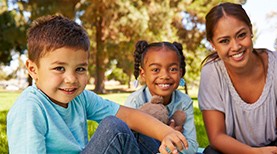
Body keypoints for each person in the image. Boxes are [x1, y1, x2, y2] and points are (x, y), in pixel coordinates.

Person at [6, 15, 189, 154]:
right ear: (32, 69)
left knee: (134, 126)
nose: (71, 79)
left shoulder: (80, 97)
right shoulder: (29, 108)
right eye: (59, 68)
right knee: (114, 127)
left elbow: (130, 116)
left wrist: (166, 133)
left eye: (80, 69)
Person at [198, 2, 277, 154]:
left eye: (241, 35)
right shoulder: (211, 72)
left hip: (273, 146)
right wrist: (255, 153)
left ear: (251, 31)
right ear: (213, 44)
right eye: (224, 41)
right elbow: (217, 136)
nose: (236, 46)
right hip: (233, 149)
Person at [124, 40, 198, 154]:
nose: (165, 76)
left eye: (173, 69)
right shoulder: (135, 102)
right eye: (155, 70)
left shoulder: (184, 102)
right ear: (143, 74)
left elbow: (192, 148)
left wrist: (170, 143)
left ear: (180, 72)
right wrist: (169, 136)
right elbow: (127, 144)